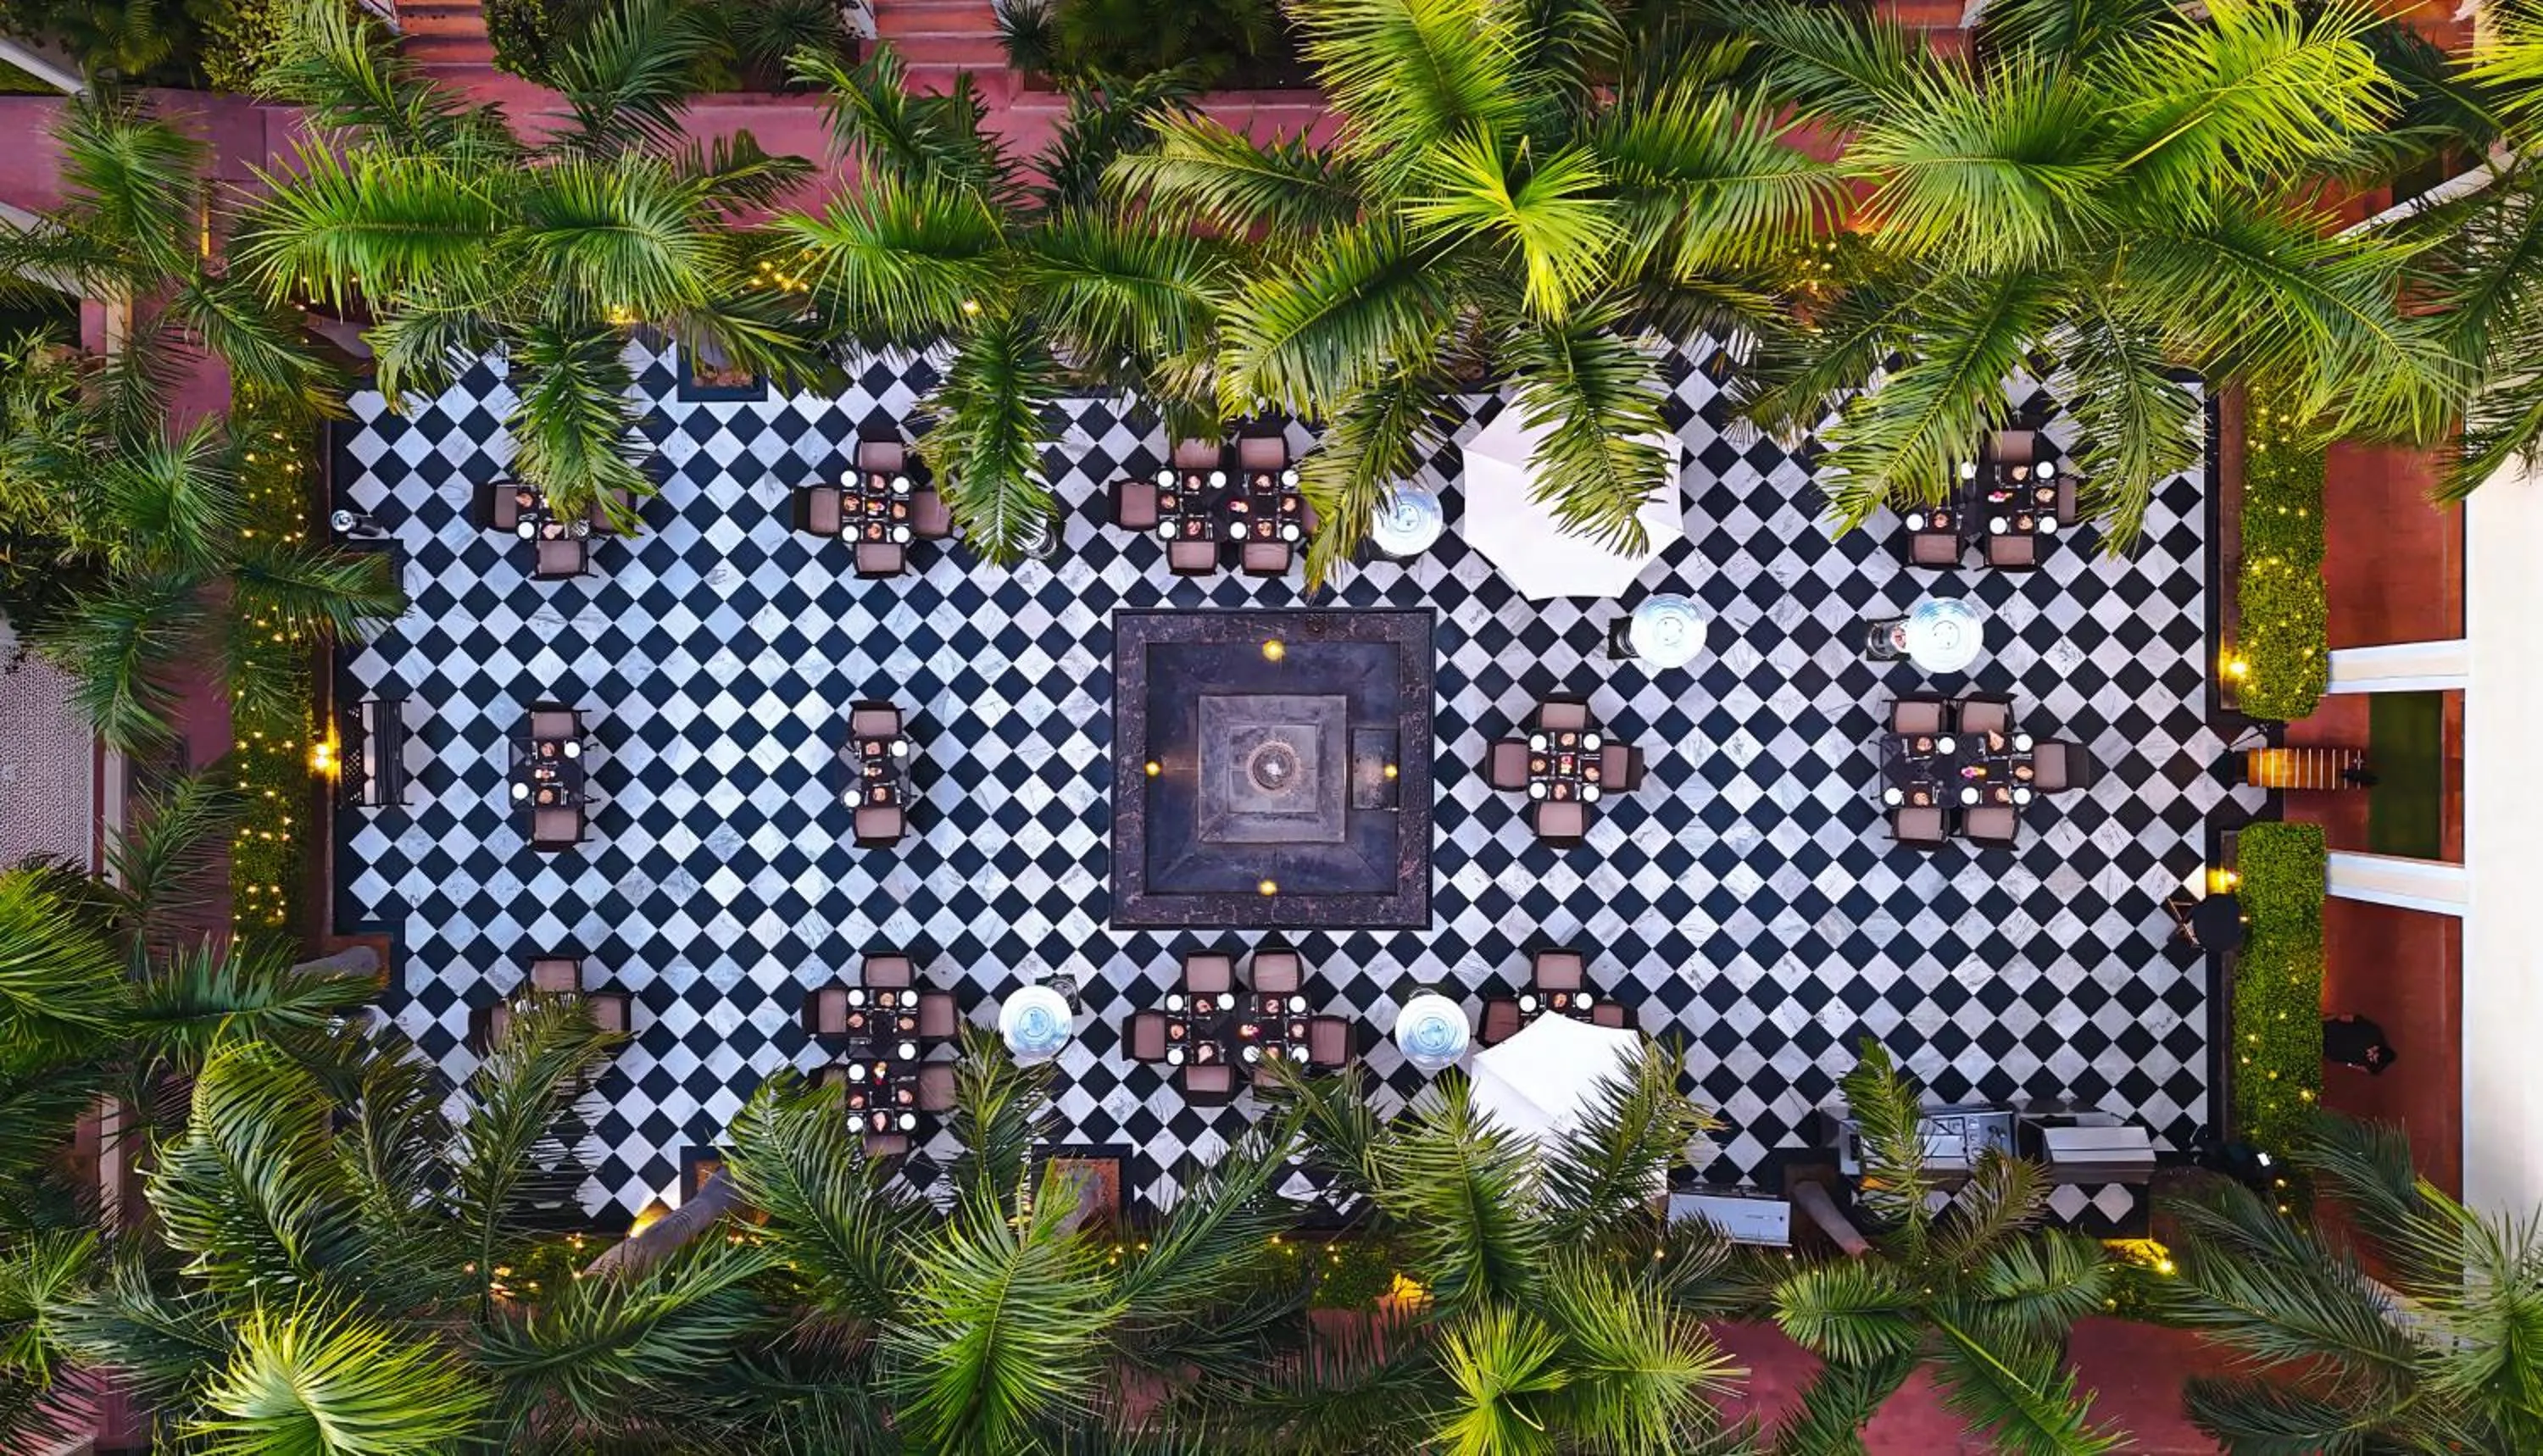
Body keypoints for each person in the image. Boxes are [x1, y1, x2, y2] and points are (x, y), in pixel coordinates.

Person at [2323, 1014, 2396, 1074]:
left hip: (2326, 1050)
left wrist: (2350, 1064)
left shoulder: (2377, 1066)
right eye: (2373, 1052)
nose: (2369, 1055)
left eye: (2372, 1059)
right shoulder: (2374, 1032)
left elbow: (2370, 1070)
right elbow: (2348, 1018)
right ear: (2378, 1047)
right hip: (2328, 1030)